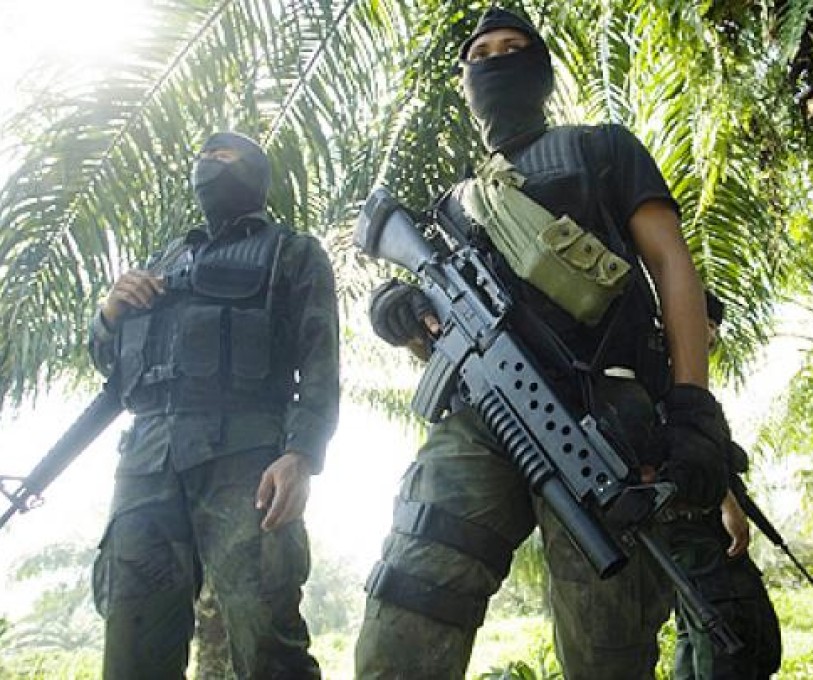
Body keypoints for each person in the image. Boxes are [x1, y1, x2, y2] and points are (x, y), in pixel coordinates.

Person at [354, 7, 731, 678]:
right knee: (412, 601)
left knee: (607, 638)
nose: (497, 61)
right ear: (465, 81)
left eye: (515, 47)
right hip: (481, 418)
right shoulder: (457, 204)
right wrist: (409, 312)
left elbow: (675, 267)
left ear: (543, 69)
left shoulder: (601, 148)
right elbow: (440, 339)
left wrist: (693, 407)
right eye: (482, 54)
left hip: (605, 415)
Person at [87, 131, 340, 679]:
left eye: (226, 157)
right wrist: (108, 313)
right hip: (147, 465)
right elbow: (113, 364)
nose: (210, 165)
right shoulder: (163, 259)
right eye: (203, 157)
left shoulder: (292, 253)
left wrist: (302, 454)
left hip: (245, 461)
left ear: (256, 174)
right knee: (132, 640)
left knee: (266, 635)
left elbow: (320, 363)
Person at [669, 290, 782, 679]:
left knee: (703, 637)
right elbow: (692, 458)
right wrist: (726, 502)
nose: (712, 336)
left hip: (692, 534)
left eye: (716, 327)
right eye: (706, 324)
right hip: (696, 528)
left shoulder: (676, 378)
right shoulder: (670, 379)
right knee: (728, 638)